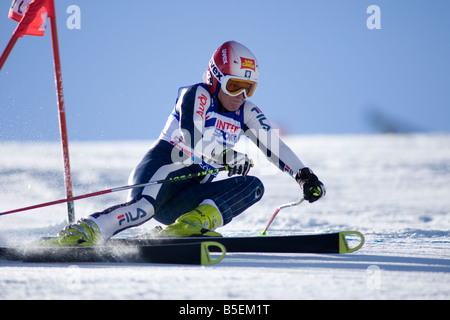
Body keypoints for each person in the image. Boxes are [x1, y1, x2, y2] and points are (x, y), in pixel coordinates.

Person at [53, 41, 325, 246]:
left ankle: (189, 225)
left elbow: (273, 145)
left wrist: (304, 176)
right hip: (164, 170)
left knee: (253, 186)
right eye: (234, 87)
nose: (241, 95)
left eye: (249, 88)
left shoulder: (247, 112)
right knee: (143, 209)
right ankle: (84, 231)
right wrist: (228, 156)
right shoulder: (197, 94)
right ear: (215, 78)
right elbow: (191, 135)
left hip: (190, 192)